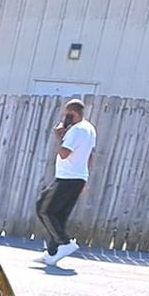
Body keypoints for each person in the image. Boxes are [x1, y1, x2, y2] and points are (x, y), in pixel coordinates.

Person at [36, 99, 96, 266]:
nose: (64, 117)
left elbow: (64, 153)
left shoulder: (76, 131)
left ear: (73, 114)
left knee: (43, 208)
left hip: (67, 178)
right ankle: (52, 253)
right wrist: (85, 177)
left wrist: (59, 136)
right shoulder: (89, 129)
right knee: (58, 215)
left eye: (66, 114)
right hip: (77, 177)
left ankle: (65, 243)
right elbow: (90, 155)